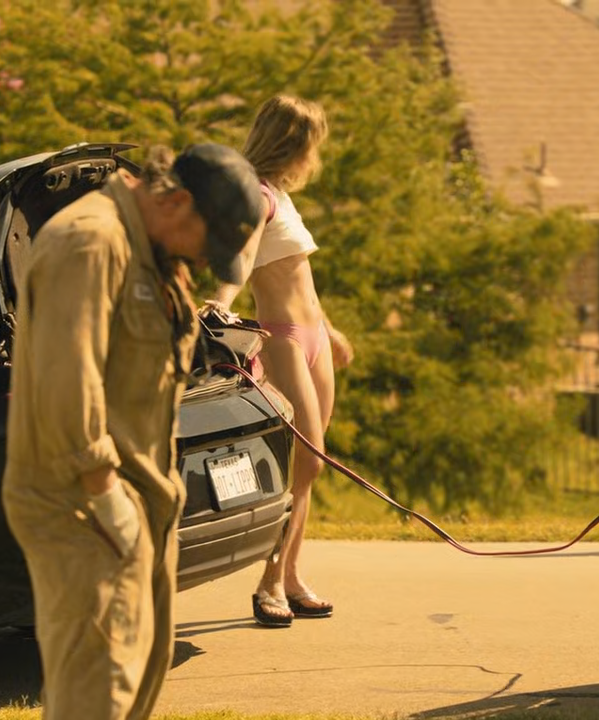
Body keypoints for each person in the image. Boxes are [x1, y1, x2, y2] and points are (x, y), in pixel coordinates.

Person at [2, 143, 264, 720]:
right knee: (99, 692)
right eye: (208, 243)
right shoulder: (89, 243)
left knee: (140, 673)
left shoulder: (152, 251)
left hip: (141, 501)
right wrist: (105, 496)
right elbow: (67, 380)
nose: (203, 260)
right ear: (178, 202)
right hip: (83, 506)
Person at [207, 94, 353, 628]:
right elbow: (242, 256)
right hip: (284, 338)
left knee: (310, 468)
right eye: (311, 144)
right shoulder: (257, 195)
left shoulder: (281, 196)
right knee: (305, 460)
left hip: (314, 336)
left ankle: (290, 576)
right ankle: (269, 582)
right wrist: (221, 300)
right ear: (292, 143)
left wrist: (330, 330)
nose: (314, 156)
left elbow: (298, 275)